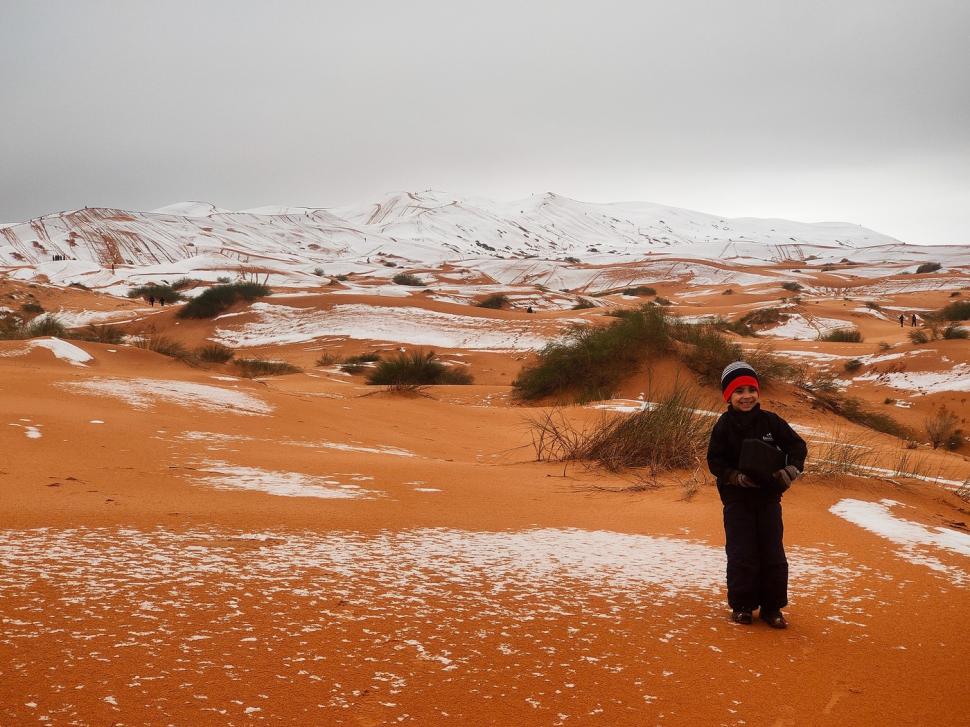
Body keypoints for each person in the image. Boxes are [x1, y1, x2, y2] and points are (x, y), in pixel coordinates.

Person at [707, 362, 807, 629]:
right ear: (728, 396)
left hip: (768, 498)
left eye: (751, 389)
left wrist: (792, 469)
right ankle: (742, 606)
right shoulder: (723, 426)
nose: (746, 395)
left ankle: (772, 608)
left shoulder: (771, 421)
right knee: (741, 552)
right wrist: (735, 477)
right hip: (736, 500)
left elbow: (797, 446)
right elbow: (714, 462)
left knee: (772, 552)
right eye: (739, 390)